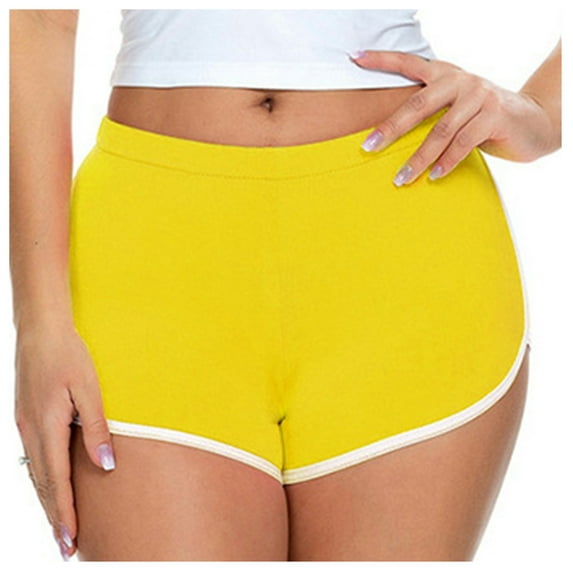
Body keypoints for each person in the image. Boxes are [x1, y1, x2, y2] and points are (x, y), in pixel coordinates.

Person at [9, 9, 561, 562]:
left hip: (403, 244)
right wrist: (38, 323)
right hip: (150, 262)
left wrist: (541, 114)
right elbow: (39, 19)